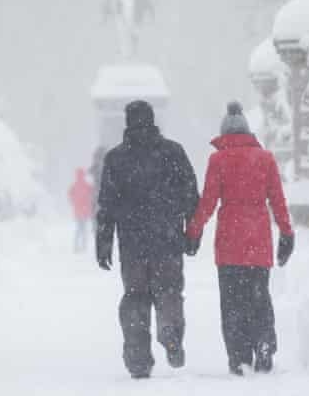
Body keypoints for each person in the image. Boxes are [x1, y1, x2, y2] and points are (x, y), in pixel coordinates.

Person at [185, 101, 295, 376]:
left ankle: (239, 357)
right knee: (259, 297)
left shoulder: (218, 160)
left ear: (224, 135)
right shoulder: (265, 159)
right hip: (259, 240)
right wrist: (286, 233)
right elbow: (278, 200)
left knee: (232, 303)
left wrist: (193, 231)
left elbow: (208, 201)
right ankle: (265, 342)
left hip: (229, 243)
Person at [96, 100, 199, 379]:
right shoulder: (173, 152)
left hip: (132, 245)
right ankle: (170, 331)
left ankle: (138, 358)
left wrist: (103, 242)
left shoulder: (115, 159)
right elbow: (191, 196)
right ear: (153, 121)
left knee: (136, 298)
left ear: (127, 123)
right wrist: (192, 232)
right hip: (167, 240)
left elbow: (107, 205)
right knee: (169, 291)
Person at [68, 168, 94, 253]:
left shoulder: (74, 186)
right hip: (85, 211)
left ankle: (76, 246)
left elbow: (70, 196)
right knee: (83, 229)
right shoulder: (87, 185)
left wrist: (74, 203)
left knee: (79, 229)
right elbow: (92, 194)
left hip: (78, 211)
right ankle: (83, 246)